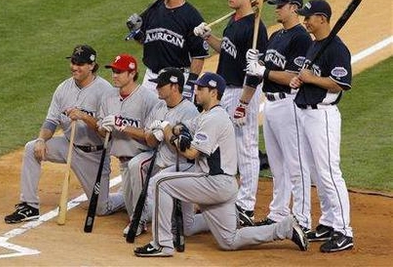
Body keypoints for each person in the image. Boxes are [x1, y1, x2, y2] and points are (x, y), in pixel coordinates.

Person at [133, 72, 308, 257]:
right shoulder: (208, 115)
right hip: (223, 185)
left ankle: (162, 244)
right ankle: (284, 228)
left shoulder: (214, 119)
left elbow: (191, 153)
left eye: (201, 88)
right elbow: (185, 126)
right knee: (229, 240)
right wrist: (178, 130)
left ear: (214, 93)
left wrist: (167, 132)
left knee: (161, 183)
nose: (196, 91)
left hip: (213, 183)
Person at [5, 45, 124, 224]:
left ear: (92, 66)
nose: (75, 67)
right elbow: (51, 121)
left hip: (94, 155)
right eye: (73, 62)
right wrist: (41, 139)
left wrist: (84, 116)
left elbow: (106, 132)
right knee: (31, 148)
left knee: (101, 208)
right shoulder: (63, 88)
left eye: (80, 64)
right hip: (68, 145)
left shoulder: (105, 91)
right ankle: (29, 205)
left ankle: (125, 196)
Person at [194, 0, 268, 226]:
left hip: (243, 91)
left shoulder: (256, 28)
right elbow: (227, 50)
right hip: (227, 91)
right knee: (224, 147)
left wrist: (244, 104)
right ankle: (225, 200)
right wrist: (207, 37)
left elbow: (255, 72)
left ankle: (246, 207)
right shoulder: (235, 21)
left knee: (246, 148)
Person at [289, 0, 354, 253]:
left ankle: (344, 231)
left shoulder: (337, 49)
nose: (305, 21)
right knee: (316, 172)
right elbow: (310, 77)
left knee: (328, 173)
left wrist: (311, 78)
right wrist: (300, 81)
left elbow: (341, 84)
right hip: (307, 114)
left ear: (323, 19)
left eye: (309, 17)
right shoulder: (315, 44)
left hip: (323, 115)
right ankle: (328, 222)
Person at [246, 0, 313, 231]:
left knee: (295, 164)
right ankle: (278, 213)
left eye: (281, 5)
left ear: (294, 7)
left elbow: (292, 77)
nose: (277, 8)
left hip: (289, 104)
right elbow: (269, 66)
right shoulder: (276, 35)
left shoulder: (301, 39)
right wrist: (257, 60)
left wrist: (261, 71)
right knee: (277, 165)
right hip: (271, 105)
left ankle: (303, 219)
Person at [122, 67, 198, 237]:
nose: (157, 88)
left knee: (185, 227)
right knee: (136, 164)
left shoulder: (189, 110)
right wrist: (153, 136)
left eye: (161, 85)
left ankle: (211, 217)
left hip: (181, 164)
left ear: (174, 87)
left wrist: (166, 132)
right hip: (158, 158)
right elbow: (148, 140)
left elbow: (185, 150)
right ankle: (138, 219)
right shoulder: (159, 107)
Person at [126, 0, 210, 100]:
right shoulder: (153, 10)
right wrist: (136, 32)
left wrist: (190, 83)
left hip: (176, 79)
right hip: (151, 78)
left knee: (174, 119)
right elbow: (147, 41)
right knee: (147, 119)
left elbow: (198, 55)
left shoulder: (192, 17)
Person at [97, 54, 159, 218]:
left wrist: (123, 126)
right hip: (124, 163)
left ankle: (168, 209)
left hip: (147, 161)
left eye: (119, 72)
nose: (114, 75)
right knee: (132, 210)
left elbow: (151, 137)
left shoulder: (148, 99)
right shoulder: (108, 96)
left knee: (139, 215)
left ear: (132, 74)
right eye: (113, 71)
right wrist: (104, 128)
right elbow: (102, 132)